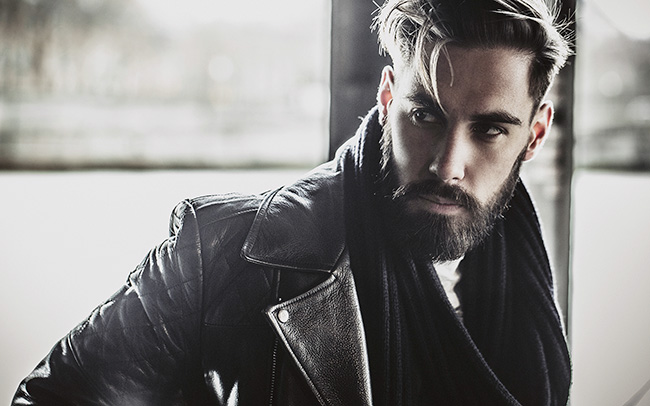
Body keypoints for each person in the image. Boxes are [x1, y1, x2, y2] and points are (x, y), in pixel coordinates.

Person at [13, 0, 573, 404]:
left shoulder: (524, 278)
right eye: (424, 115)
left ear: (535, 134)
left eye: (490, 130)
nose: (447, 165)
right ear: (386, 100)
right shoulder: (224, 252)